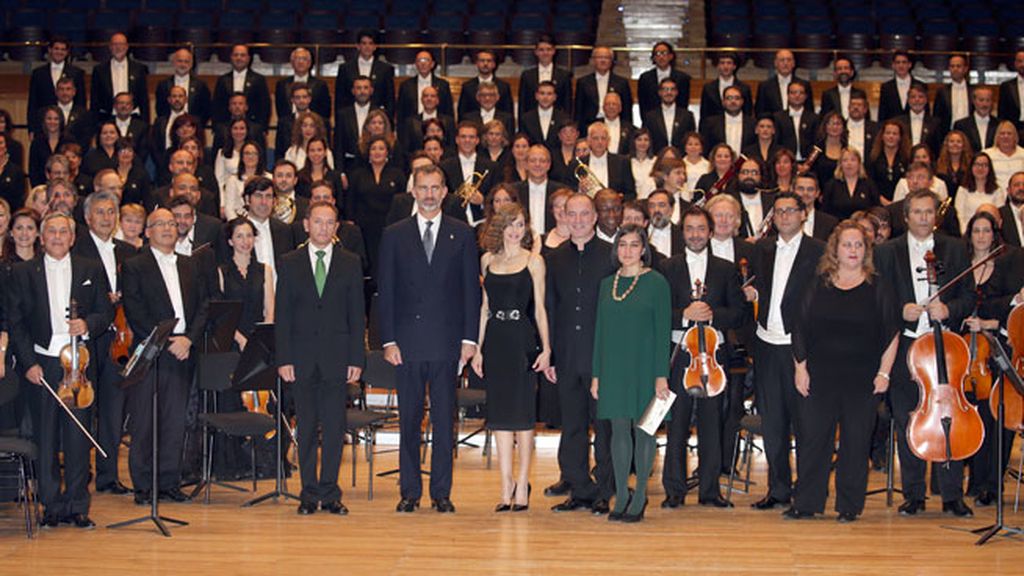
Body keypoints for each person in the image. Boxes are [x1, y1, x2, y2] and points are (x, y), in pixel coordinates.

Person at [376, 164, 481, 514]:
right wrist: (387, 340)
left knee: (443, 419)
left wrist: (469, 339)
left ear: (445, 191)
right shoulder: (394, 234)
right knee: (408, 420)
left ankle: (441, 492)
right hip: (406, 345)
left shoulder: (463, 234)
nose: (430, 194)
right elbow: (386, 291)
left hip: (447, 343)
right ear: (414, 191)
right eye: (423, 188)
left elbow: (471, 292)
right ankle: (409, 491)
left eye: (436, 187)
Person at [787, 221, 899, 522]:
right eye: (847, 244)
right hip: (819, 375)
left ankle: (849, 506)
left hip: (862, 378)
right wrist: (801, 368)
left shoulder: (879, 286)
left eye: (858, 245)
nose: (853, 250)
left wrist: (884, 374)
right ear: (835, 249)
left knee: (856, 440)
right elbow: (799, 327)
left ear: (866, 250)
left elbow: (891, 333)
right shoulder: (818, 283)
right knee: (813, 439)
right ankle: (807, 502)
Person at [7, 212, 113, 528]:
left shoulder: (90, 268)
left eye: (62, 232)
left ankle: (77, 505)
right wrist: (29, 364)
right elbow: (16, 323)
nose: (56, 237)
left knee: (78, 438)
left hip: (78, 364)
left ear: (72, 237)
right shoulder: (24, 272)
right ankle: (51, 506)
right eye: (50, 231)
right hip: (43, 364)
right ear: (42, 237)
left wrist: (88, 324)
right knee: (46, 436)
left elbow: (105, 312)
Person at [874, 189, 975, 517]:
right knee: (908, 418)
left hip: (944, 347)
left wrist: (950, 309)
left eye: (928, 212)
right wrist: (899, 310)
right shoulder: (888, 252)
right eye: (916, 212)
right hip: (905, 345)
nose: (922, 218)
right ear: (905, 217)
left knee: (949, 416)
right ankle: (914, 494)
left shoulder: (955, 248)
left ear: (936, 216)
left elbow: (969, 296)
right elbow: (878, 297)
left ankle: (951, 495)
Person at [276, 201, 364, 515]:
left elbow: (357, 314)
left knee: (334, 426)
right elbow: (282, 315)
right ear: (306, 225)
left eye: (330, 223)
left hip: (337, 358)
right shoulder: (289, 262)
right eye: (318, 221)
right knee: (308, 427)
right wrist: (284, 358)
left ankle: (330, 493)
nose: (324, 228)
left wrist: (357, 358)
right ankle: (308, 493)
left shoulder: (351, 262)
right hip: (300, 359)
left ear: (337, 227)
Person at [121, 208, 210, 504]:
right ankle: (144, 485)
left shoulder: (191, 264)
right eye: (160, 224)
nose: (168, 228)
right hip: (152, 351)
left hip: (184, 351)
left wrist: (188, 339)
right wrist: (166, 340)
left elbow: (203, 306)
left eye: (172, 223)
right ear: (147, 231)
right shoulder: (135, 266)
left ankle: (170, 481)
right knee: (146, 422)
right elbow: (135, 311)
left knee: (175, 421)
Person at [658, 206, 745, 509]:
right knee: (677, 423)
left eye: (700, 229)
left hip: (713, 357)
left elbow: (737, 312)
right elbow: (657, 313)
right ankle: (674, 490)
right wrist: (684, 314)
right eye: (689, 229)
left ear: (710, 232)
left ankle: (710, 490)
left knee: (712, 424)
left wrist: (709, 314)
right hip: (680, 354)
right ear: (682, 233)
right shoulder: (667, 267)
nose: (695, 234)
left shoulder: (725, 268)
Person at [744, 192, 826, 510]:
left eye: (791, 211)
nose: (784, 216)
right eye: (778, 212)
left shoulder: (818, 251)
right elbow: (759, 287)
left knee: (805, 424)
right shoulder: (762, 249)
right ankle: (778, 489)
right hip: (766, 345)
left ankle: (806, 493)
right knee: (773, 423)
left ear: (803, 215)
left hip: (801, 349)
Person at [472, 203, 550, 511]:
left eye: (521, 225)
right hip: (495, 339)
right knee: (501, 416)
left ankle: (522, 484)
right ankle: (506, 486)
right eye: (511, 225)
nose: (516, 231)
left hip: (521, 339)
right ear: (500, 228)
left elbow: (541, 309)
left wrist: (546, 348)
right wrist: (477, 348)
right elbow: (484, 308)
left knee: (522, 416)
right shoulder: (487, 260)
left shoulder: (535, 261)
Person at [591, 224, 671, 522]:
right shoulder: (606, 284)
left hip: (647, 368)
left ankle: (640, 495)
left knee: (645, 430)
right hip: (613, 367)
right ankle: (621, 493)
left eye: (634, 245)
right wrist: (597, 374)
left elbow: (663, 331)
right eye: (622, 245)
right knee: (619, 430)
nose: (627, 250)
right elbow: (600, 331)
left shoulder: (657, 283)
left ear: (644, 249)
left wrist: (661, 375)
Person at [543, 193, 617, 514]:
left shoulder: (611, 256)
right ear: (563, 217)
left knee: (604, 427)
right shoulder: (554, 258)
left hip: (602, 356)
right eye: (571, 214)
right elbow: (549, 308)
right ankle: (578, 489)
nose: (577, 220)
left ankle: (604, 490)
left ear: (595, 216)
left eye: (583, 214)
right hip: (567, 356)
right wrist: (549, 355)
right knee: (571, 426)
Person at [71, 190, 138, 496]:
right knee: (84, 408)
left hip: (118, 341)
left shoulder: (127, 250)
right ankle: (79, 474)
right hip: (86, 339)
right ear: (87, 217)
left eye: (111, 212)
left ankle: (108, 476)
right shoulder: (77, 250)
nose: (106, 217)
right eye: (100, 212)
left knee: (113, 411)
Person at [963, 211, 1019, 506]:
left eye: (986, 231)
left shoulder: (1007, 267)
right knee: (976, 415)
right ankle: (975, 478)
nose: (982, 236)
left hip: (998, 349)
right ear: (969, 235)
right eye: (976, 231)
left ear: (995, 235)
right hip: (968, 353)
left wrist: (989, 323)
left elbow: (1014, 306)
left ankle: (992, 484)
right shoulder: (962, 267)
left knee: (999, 416)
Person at [346, 135, 405, 272]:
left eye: (381, 148)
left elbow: (402, 201)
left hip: (389, 225)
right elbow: (350, 200)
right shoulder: (357, 174)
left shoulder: (397, 174)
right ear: (368, 153)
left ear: (387, 153)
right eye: (373, 149)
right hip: (363, 226)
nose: (377, 152)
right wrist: (350, 221)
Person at [27, 37, 86, 130]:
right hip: (44, 124)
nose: (59, 52)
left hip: (70, 125)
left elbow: (81, 101)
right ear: (50, 50)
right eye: (56, 49)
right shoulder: (38, 73)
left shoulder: (77, 73)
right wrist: (31, 128)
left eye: (63, 49)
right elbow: (33, 102)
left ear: (67, 52)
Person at [336, 30, 395, 118]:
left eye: (370, 43)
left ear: (375, 47)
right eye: (364, 43)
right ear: (358, 46)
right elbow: (339, 99)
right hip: (351, 118)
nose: (367, 47)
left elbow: (390, 99)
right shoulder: (345, 68)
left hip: (377, 119)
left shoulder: (385, 69)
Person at [575, 46, 633, 132]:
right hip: (589, 125)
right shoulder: (583, 82)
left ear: (611, 61)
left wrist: (628, 130)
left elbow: (627, 110)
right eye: (599, 57)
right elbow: (578, 110)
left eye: (606, 57)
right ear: (593, 60)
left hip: (614, 124)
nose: (603, 60)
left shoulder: (622, 83)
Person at [212, 44, 270, 128]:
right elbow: (216, 106)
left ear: (248, 58)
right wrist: (217, 127)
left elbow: (264, 107)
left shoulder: (259, 80)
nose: (239, 58)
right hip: (226, 127)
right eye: (235, 55)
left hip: (252, 127)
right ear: (231, 57)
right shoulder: (222, 80)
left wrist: (261, 128)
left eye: (242, 55)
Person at [275, 47, 332, 130]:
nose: (300, 62)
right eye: (297, 59)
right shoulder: (282, 85)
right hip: (289, 128)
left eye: (304, 59)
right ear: (291, 63)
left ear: (309, 63)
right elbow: (280, 110)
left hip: (313, 128)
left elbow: (325, 111)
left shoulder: (320, 85)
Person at [517, 34, 573, 116]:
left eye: (548, 49)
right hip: (532, 121)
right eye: (541, 50)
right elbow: (522, 104)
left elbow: (567, 104)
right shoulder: (527, 75)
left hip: (558, 121)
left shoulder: (564, 75)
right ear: (536, 52)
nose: (545, 53)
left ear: (554, 51)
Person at [155, 48, 212, 126]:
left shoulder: (200, 85)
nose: (183, 64)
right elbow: (160, 109)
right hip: (169, 126)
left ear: (191, 64)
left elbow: (206, 109)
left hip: (192, 129)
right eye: (180, 61)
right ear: (174, 62)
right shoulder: (163, 85)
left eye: (186, 61)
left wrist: (196, 125)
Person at [396, 50, 454, 126]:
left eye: (426, 60)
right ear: (416, 64)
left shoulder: (443, 85)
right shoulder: (406, 86)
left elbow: (448, 111)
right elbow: (401, 113)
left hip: (437, 129)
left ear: (432, 64)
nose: (423, 63)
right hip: (412, 129)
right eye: (420, 60)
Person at [823, 148, 881, 221]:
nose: (849, 163)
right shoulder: (831, 185)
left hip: (863, 228)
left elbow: (876, 210)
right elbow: (825, 211)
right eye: (845, 160)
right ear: (840, 164)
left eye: (853, 160)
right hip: (838, 227)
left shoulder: (869, 184)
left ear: (859, 163)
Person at [637, 42, 691, 120]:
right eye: (658, 54)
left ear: (671, 56)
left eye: (664, 53)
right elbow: (643, 105)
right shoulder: (645, 78)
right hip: (652, 122)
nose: (661, 57)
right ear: (654, 57)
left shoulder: (682, 78)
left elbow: (683, 104)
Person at [955, 153, 1005, 234]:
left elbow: (999, 216)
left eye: (985, 165)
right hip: (967, 232)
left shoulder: (997, 190)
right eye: (977, 164)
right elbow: (959, 215)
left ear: (990, 168)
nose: (980, 168)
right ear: (971, 167)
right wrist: (966, 233)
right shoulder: (962, 190)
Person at [457, 50, 514, 119]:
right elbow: (462, 113)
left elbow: (508, 112)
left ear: (494, 64)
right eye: (482, 60)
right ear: (476, 63)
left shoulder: (503, 87)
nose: (485, 63)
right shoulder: (467, 87)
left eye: (489, 61)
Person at [698, 52, 752, 125]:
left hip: (737, 126)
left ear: (734, 66)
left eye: (729, 63)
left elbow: (748, 113)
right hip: (714, 128)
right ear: (718, 66)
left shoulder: (744, 88)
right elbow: (704, 114)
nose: (725, 66)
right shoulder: (708, 88)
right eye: (722, 63)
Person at [701, 85, 756, 154]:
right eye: (729, 98)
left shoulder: (753, 124)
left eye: (737, 98)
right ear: (723, 102)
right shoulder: (710, 123)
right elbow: (706, 148)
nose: (733, 101)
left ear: (742, 101)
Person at [867, 119, 911, 203]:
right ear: (882, 136)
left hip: (902, 202)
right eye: (888, 133)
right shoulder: (873, 157)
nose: (891, 136)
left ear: (900, 137)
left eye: (895, 134)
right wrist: (882, 200)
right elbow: (870, 183)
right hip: (877, 202)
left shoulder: (907, 158)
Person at [878, 50, 924, 123]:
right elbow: (882, 113)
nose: (901, 65)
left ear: (910, 65)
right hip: (893, 130)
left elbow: (925, 111)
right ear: (893, 65)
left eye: (904, 62)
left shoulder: (921, 85)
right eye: (898, 62)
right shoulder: (886, 87)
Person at [953, 86, 1000, 155]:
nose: (984, 104)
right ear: (974, 101)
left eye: (988, 100)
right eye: (981, 100)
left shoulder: (999, 124)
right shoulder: (961, 125)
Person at [28, 106, 67, 188]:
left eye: (56, 119)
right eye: (49, 118)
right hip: (42, 188)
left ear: (61, 121)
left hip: (65, 187)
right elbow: (33, 171)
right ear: (44, 121)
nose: (52, 122)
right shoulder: (37, 142)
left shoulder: (69, 140)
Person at [933, 54, 973, 132]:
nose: (955, 69)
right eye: (952, 66)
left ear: (965, 69)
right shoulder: (942, 92)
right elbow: (937, 118)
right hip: (948, 132)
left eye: (958, 66)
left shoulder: (973, 91)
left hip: (970, 133)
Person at [795, 173, 839, 241]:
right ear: (793, 191)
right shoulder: (783, 220)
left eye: (810, 189)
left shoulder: (830, 223)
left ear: (817, 193)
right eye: (801, 189)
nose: (805, 193)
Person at [983, 120, 1024, 191]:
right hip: (993, 196)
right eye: (1002, 133)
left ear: (1015, 136)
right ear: (997, 136)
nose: (1006, 136)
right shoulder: (987, 154)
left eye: (1009, 133)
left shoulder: (1022, 153)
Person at [0, 134, 26, 214]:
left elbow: (20, 200)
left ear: (6, 146)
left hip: (10, 214)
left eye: (0, 143)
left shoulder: (16, 171)